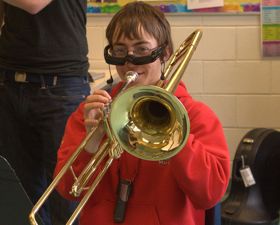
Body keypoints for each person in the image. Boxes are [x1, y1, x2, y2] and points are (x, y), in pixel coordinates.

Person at [54, 2, 231, 225]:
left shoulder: (196, 116)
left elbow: (210, 194)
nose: (130, 62)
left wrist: (174, 134)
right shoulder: (92, 111)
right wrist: (92, 142)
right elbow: (68, 190)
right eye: (119, 51)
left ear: (164, 53)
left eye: (142, 50)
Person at [0, 0, 90, 225]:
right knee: (19, 195)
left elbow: (34, 3)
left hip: (60, 85)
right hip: (10, 81)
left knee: (65, 196)